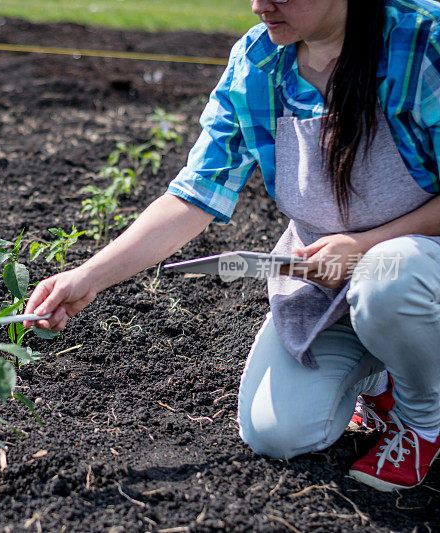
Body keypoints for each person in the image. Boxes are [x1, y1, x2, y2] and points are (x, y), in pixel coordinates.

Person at [24, 0, 440, 492]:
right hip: (321, 276)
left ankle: (424, 420)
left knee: (389, 276)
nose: (261, 4)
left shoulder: (421, 42)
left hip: (417, 266)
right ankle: (387, 376)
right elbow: (195, 195)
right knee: (279, 434)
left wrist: (365, 245)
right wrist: (87, 277)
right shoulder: (260, 62)